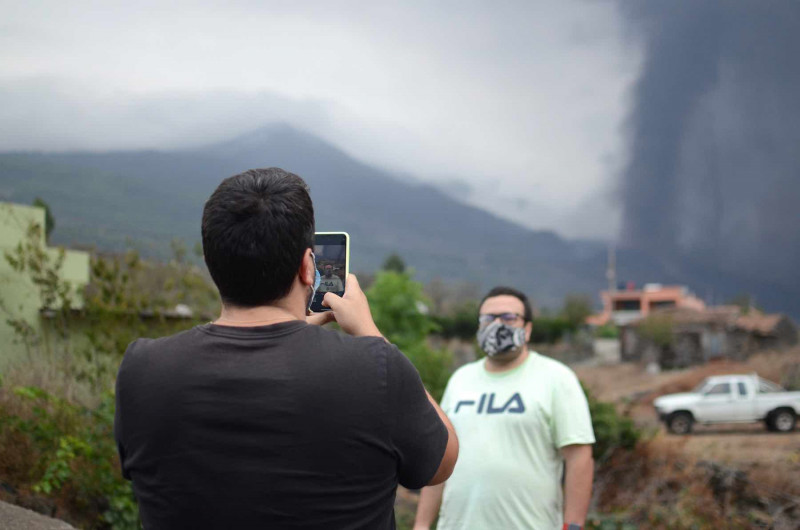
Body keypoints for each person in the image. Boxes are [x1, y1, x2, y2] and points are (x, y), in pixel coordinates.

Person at [114, 168, 458, 529]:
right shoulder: (376, 369)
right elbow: (442, 461)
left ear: (212, 262)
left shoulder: (143, 368)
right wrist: (369, 333)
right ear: (309, 268)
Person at [414, 287, 594, 530]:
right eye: (488, 318)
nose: (497, 324)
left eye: (509, 318)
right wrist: (422, 524)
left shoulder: (556, 378)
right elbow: (441, 455)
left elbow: (579, 457)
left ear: (527, 329)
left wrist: (573, 526)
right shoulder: (460, 379)